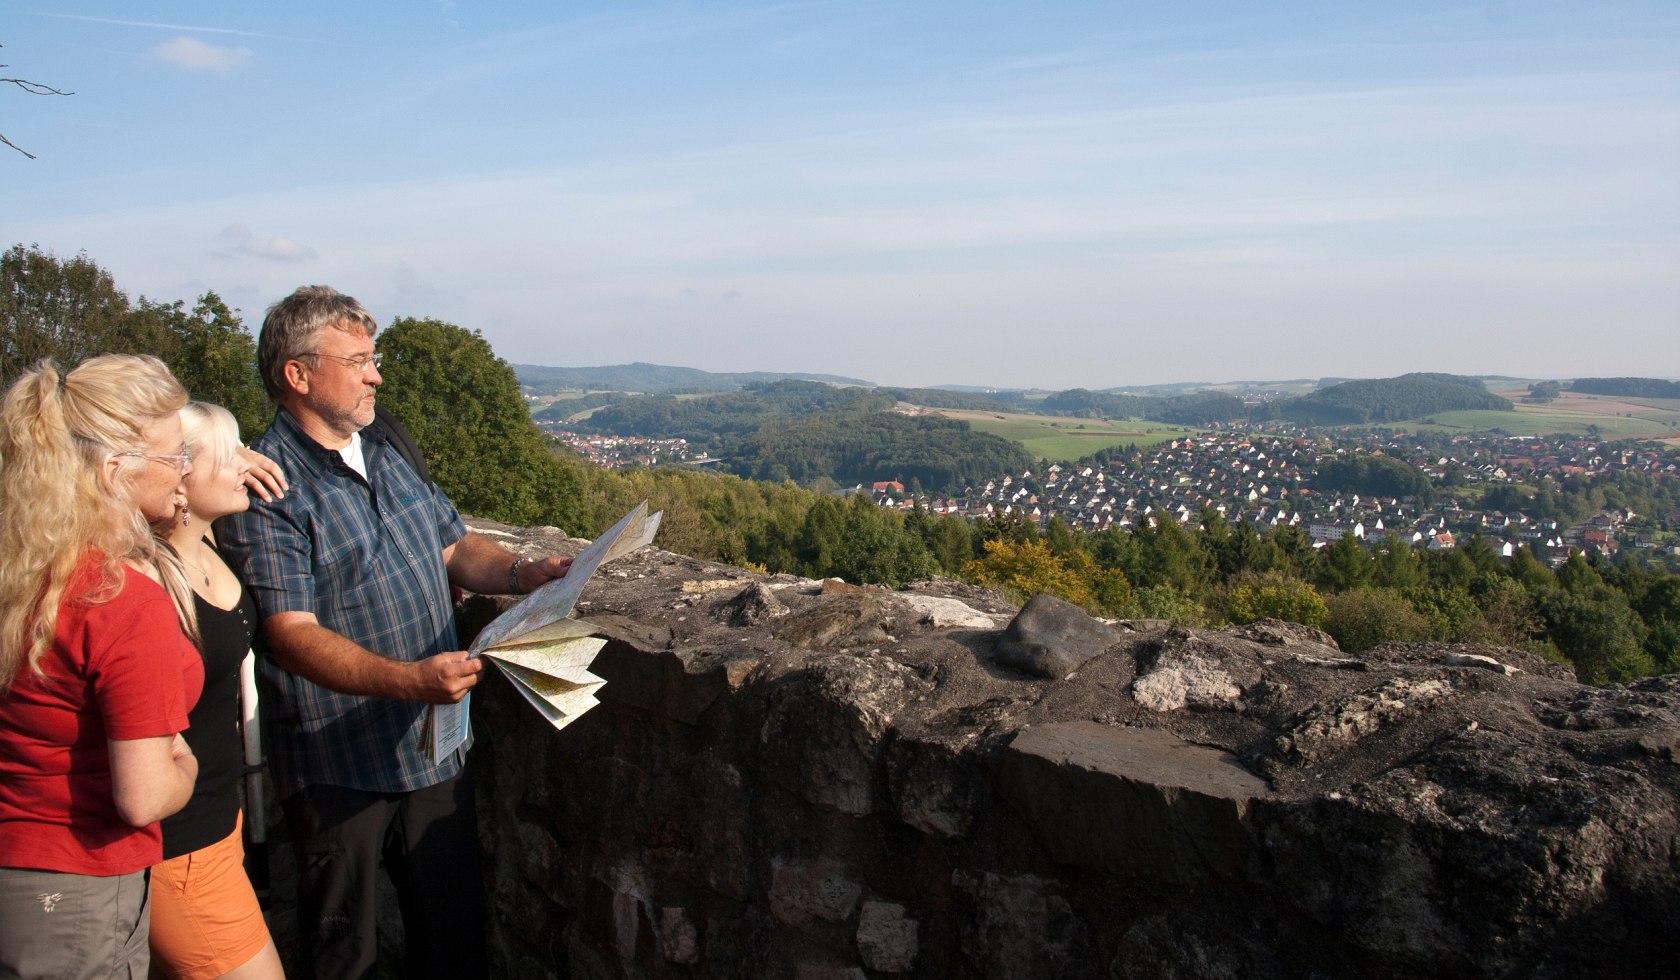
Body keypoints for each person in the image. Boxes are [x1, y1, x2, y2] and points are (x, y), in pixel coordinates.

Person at [217, 286, 572, 980]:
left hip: (431, 751)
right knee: (346, 953)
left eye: (372, 359)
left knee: (452, 935)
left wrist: (525, 572)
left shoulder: (383, 445)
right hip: (337, 765)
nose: (376, 374)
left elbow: (453, 547)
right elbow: (290, 634)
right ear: (298, 375)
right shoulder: (268, 489)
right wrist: (410, 681)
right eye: (358, 361)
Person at [0, 354, 203, 979]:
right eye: (174, 457)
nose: (185, 472)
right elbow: (142, 796)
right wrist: (185, 764)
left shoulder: (22, 568)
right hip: (77, 885)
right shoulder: (118, 600)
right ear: (115, 469)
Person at [149, 401, 286, 980]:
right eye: (229, 457)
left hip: (217, 821)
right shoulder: (149, 580)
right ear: (177, 476)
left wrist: (226, 457)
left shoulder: (207, 542)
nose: (247, 466)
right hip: (177, 842)